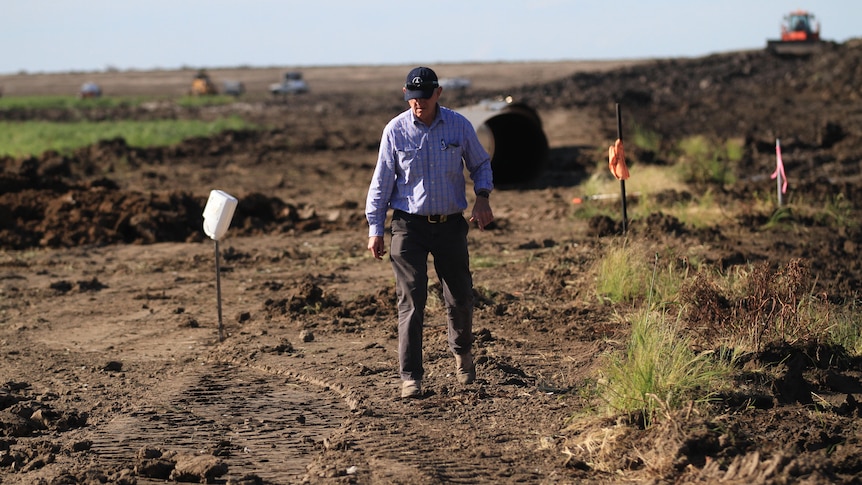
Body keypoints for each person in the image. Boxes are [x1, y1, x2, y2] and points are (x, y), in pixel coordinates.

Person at [365, 66, 494, 399]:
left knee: (461, 295)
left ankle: (463, 356)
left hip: (450, 224)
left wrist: (482, 198)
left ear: (438, 93)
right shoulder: (395, 131)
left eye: (423, 98)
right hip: (408, 226)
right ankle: (411, 376)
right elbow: (381, 183)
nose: (417, 105)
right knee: (411, 299)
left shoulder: (458, 125)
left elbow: (480, 163)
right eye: (412, 98)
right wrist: (375, 228)